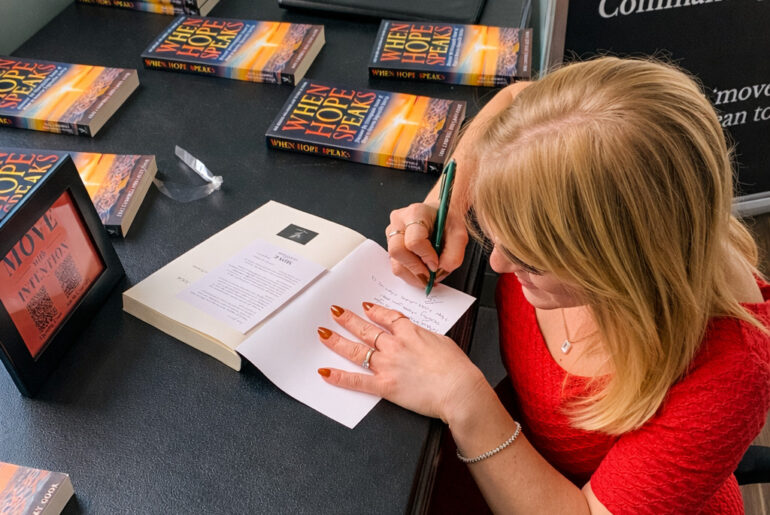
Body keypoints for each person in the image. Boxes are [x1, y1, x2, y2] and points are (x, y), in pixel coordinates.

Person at [315, 57, 770, 513]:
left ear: (619, 265)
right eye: (494, 237)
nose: (497, 262)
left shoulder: (730, 369)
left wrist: (463, 398)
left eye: (529, 258)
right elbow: (516, 99)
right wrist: (447, 201)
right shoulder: (586, 136)